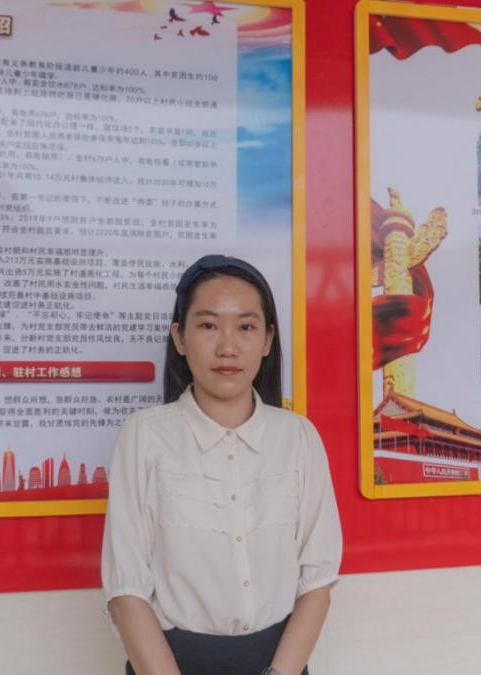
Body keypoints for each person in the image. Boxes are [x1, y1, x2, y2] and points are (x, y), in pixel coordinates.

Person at [103, 255, 342, 675]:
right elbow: (126, 591)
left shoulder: (298, 437)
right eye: (208, 325)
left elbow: (317, 580)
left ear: (268, 339)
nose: (227, 347)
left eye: (246, 327)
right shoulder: (143, 436)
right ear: (180, 337)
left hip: (281, 665)